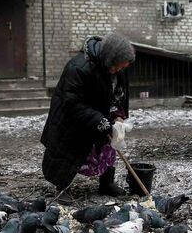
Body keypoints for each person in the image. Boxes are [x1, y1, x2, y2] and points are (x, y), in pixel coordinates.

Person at [40, 32, 136, 204]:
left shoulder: (115, 68)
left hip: (99, 116)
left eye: (122, 68)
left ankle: (106, 183)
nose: (118, 71)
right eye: (116, 67)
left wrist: (118, 116)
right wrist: (100, 121)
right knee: (69, 151)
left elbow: (118, 95)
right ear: (109, 59)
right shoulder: (78, 68)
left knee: (109, 145)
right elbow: (73, 104)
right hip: (71, 120)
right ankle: (61, 187)